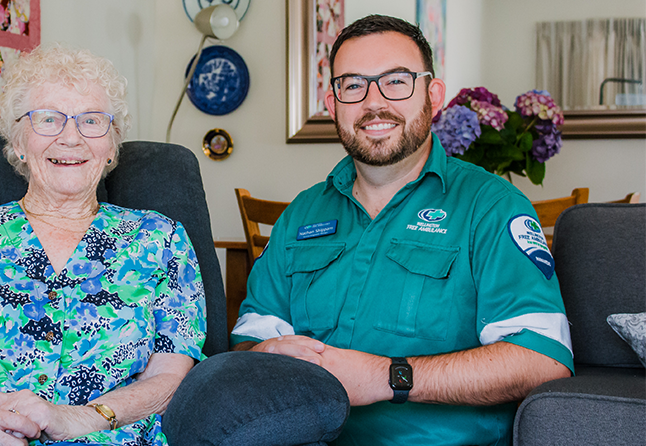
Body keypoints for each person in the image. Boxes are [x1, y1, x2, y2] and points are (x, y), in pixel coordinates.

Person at [231, 15, 573, 445]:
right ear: (332, 102)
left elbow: (542, 359)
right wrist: (262, 354)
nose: (374, 102)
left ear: (433, 95)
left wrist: (387, 377)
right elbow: (247, 345)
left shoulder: (491, 207)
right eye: (353, 84)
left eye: (396, 81)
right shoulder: (300, 214)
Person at [0, 44, 206, 446]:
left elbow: (171, 376)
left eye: (92, 121)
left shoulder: (161, 239)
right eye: (48, 120)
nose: (71, 138)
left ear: (112, 144)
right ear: (18, 141)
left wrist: (82, 418)